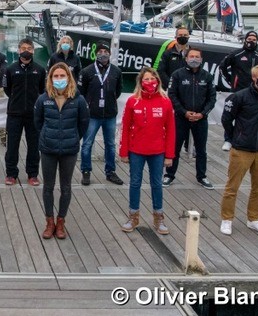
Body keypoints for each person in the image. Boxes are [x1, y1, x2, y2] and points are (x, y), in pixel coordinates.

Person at [219, 64, 258, 236]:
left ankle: (254, 218)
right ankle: (227, 219)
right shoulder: (239, 97)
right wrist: (234, 137)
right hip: (241, 148)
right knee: (232, 187)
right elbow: (226, 119)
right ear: (254, 77)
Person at [35, 63, 89, 240]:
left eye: (62, 76)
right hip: (48, 149)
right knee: (48, 187)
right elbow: (38, 123)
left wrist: (73, 137)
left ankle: (61, 221)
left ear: (69, 78)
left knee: (66, 187)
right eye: (55, 76)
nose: (59, 79)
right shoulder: (43, 99)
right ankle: (49, 222)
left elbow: (83, 124)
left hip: (69, 150)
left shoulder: (78, 100)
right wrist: (47, 136)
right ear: (50, 79)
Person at [119, 68, 175, 235]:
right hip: (136, 150)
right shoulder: (132, 101)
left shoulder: (165, 101)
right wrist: (123, 151)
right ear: (140, 82)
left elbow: (171, 129)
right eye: (146, 79)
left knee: (156, 184)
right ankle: (133, 216)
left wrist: (169, 155)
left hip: (158, 151)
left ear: (157, 81)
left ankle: (159, 217)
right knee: (135, 183)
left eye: (152, 79)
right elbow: (125, 127)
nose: (149, 82)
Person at [164, 47, 216, 189]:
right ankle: (169, 175)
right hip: (181, 118)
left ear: (201, 59)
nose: (194, 59)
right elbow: (172, 95)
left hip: (200, 119)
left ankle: (202, 176)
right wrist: (183, 112)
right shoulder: (177, 75)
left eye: (197, 57)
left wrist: (202, 113)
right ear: (186, 59)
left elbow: (212, 98)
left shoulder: (207, 76)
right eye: (191, 56)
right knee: (175, 148)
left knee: (201, 150)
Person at [78, 42, 123, 186]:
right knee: (87, 144)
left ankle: (110, 172)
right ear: (96, 53)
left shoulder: (116, 71)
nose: (103, 54)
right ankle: (86, 171)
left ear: (109, 54)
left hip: (110, 114)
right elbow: (81, 92)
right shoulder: (87, 71)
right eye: (100, 51)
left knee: (110, 144)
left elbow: (118, 91)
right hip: (92, 114)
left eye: (106, 51)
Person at [4, 39, 46, 187]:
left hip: (33, 115)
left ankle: (32, 174)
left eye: (29, 48)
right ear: (18, 50)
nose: (26, 50)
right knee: (12, 146)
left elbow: (42, 90)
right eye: (23, 48)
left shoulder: (40, 70)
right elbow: (7, 90)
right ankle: (11, 174)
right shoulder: (10, 69)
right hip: (14, 113)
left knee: (34, 146)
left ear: (33, 50)